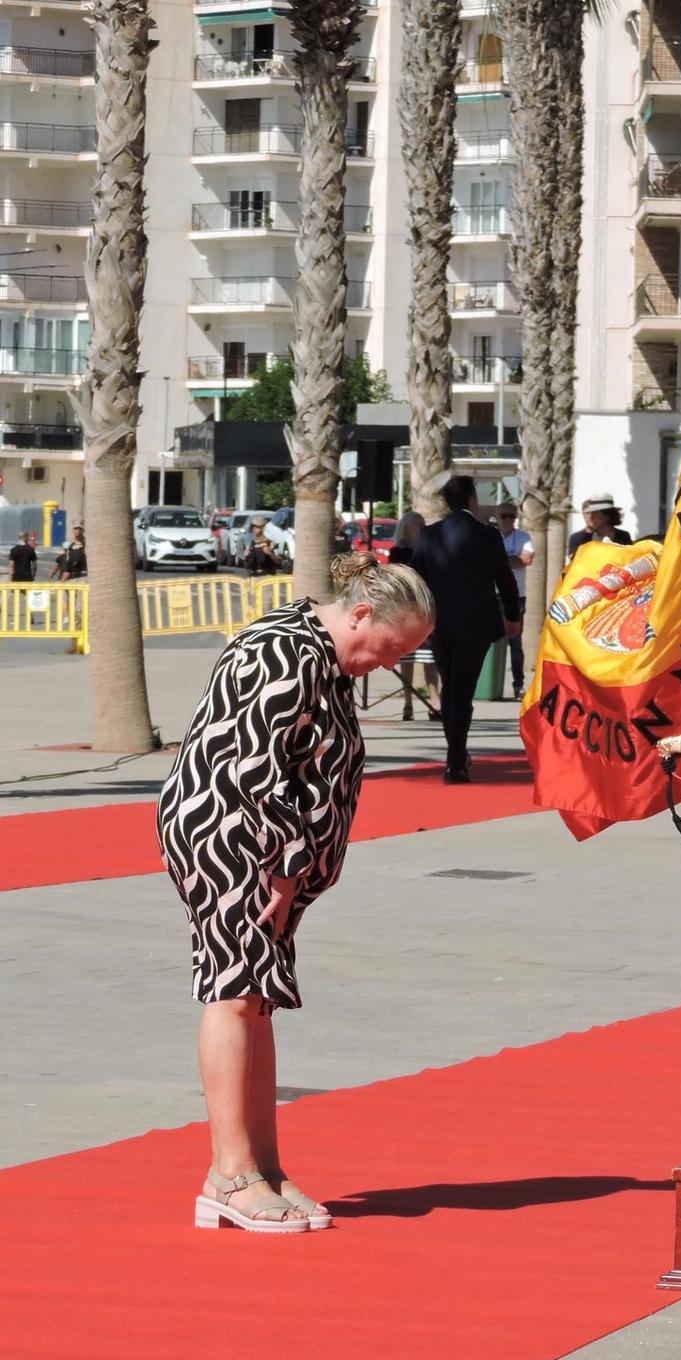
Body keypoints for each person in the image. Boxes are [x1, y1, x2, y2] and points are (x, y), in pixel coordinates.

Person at [160, 553, 435, 1232]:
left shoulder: (322, 653)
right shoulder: (288, 652)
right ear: (361, 614)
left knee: (258, 1000)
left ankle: (264, 1166)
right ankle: (229, 1176)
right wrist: (283, 869)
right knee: (235, 991)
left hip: (261, 845)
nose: (391, 662)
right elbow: (258, 766)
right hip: (232, 833)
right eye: (391, 646)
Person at [408, 473, 523, 783]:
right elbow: (505, 580)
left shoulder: (430, 535)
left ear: (446, 502)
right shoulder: (487, 535)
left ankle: (455, 754)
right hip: (477, 623)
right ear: (472, 499)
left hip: (441, 624)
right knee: (464, 689)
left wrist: (418, 621)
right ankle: (456, 758)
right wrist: (513, 615)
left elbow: (415, 581)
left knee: (450, 688)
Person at [493, 502, 534, 695]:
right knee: (490, 641)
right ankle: (491, 685)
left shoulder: (523, 537)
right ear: (497, 517)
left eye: (511, 516)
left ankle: (518, 684)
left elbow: (526, 560)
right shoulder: (490, 536)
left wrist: (498, 561)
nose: (507, 520)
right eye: (504, 516)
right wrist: (510, 560)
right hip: (493, 594)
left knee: (515, 643)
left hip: (516, 596)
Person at [565, 492, 632, 563]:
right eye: (587, 513)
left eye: (595, 513)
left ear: (607, 515)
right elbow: (576, 564)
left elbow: (630, 561)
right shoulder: (580, 538)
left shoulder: (623, 536)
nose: (590, 517)